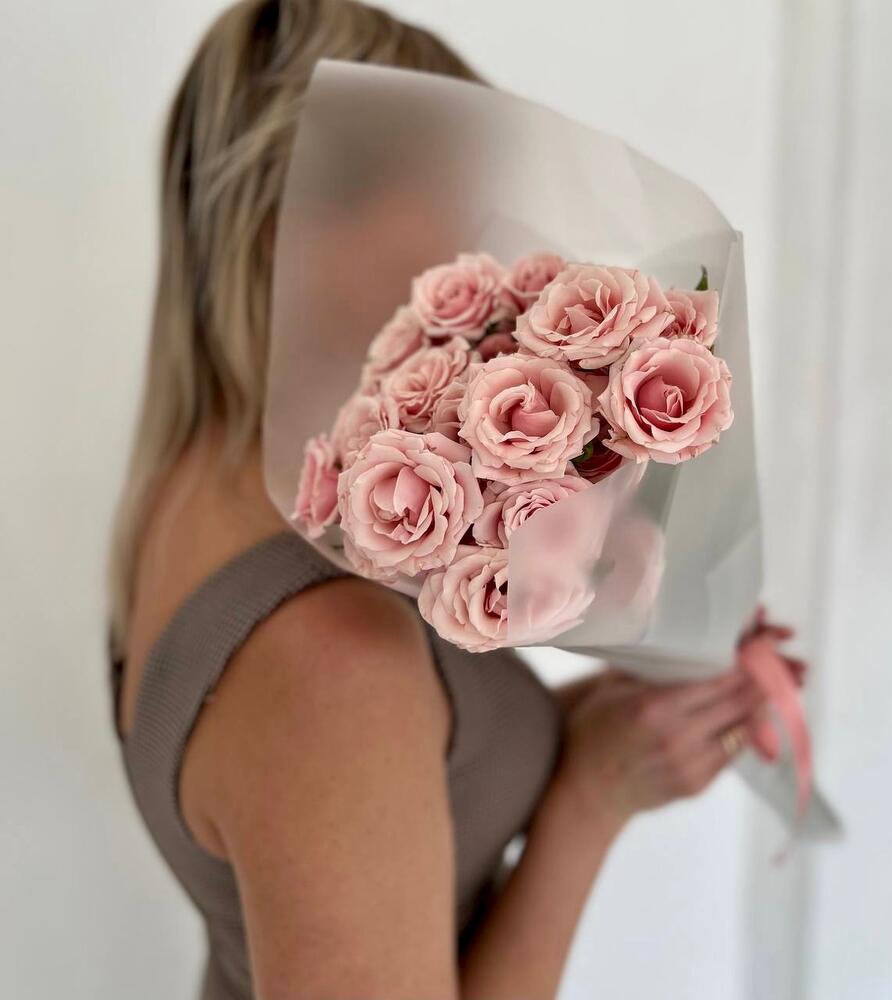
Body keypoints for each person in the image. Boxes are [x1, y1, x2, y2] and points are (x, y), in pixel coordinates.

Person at [108, 2, 769, 997]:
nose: (476, 226)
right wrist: (589, 802)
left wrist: (573, 718)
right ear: (294, 218)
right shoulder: (332, 658)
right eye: (445, 177)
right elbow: (335, 730)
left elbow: (335, 798)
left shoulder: (184, 490)